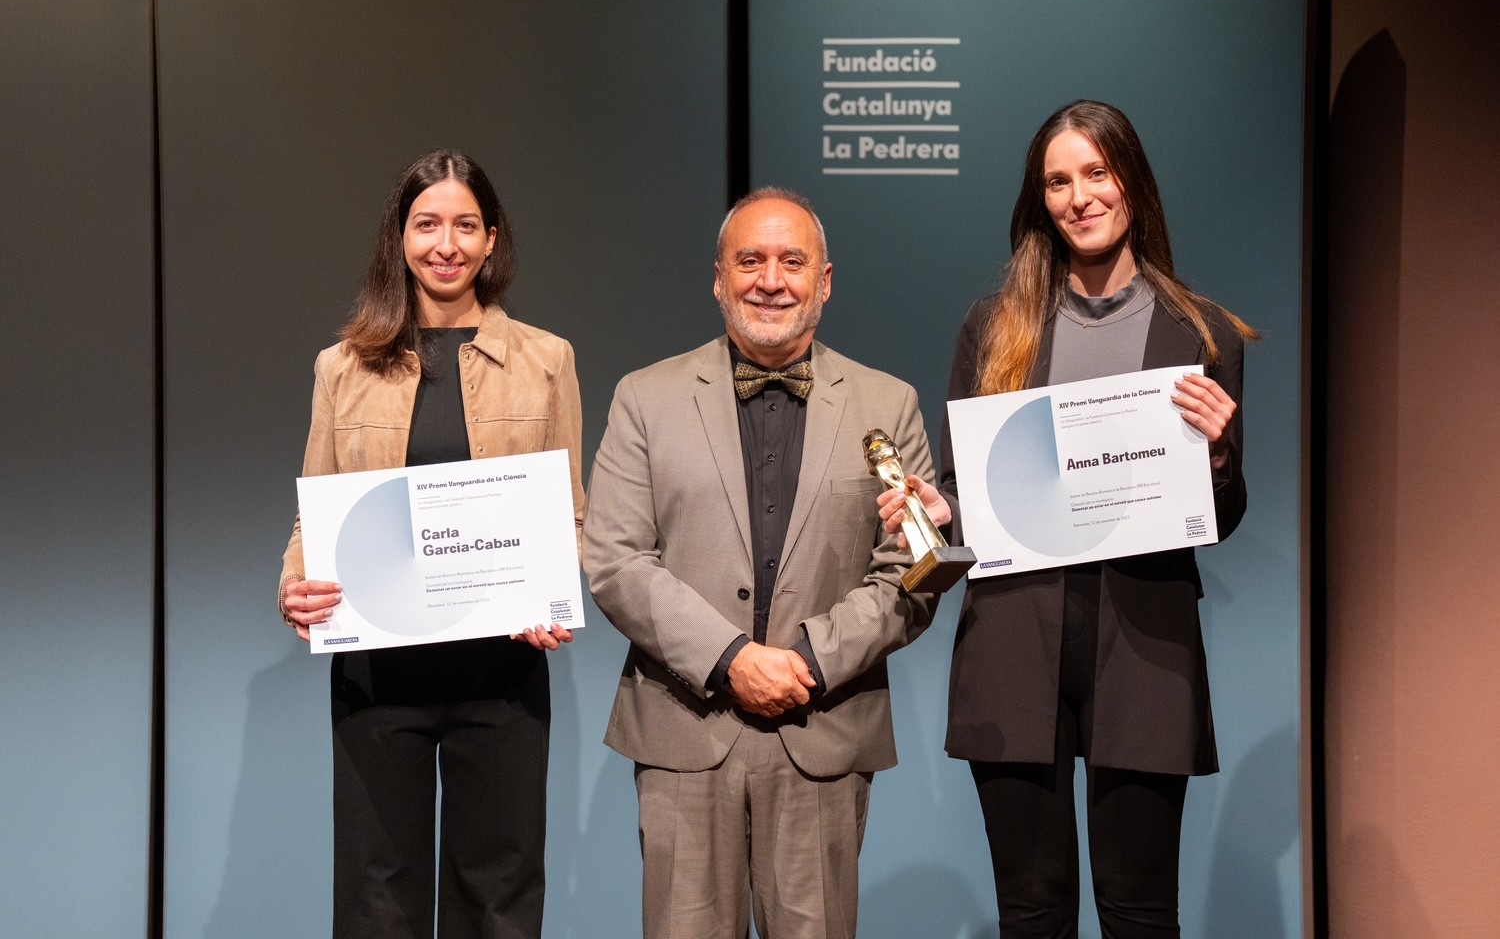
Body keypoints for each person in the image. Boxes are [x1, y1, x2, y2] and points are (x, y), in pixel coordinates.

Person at [881, 100, 1259, 938]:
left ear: (1132, 184)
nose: (1079, 196)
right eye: (1058, 180)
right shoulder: (994, 325)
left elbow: (1220, 518)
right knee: (1033, 914)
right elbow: (965, 493)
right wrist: (940, 509)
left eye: (1096, 173)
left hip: (1146, 649)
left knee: (1139, 913)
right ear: (1038, 198)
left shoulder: (1202, 333)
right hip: (1016, 641)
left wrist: (1219, 457)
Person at [582, 187, 939, 939]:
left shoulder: (889, 403)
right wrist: (732, 658)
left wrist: (805, 658)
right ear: (719, 278)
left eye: (791, 261)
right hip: (686, 727)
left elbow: (910, 574)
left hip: (824, 725)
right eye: (750, 260)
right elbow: (615, 559)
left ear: (826, 280)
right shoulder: (644, 398)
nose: (769, 280)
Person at [276, 149, 584, 939]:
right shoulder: (342, 366)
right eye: (427, 224)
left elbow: (569, 515)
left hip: (503, 675)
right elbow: (316, 517)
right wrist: (296, 584)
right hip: (379, 676)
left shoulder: (548, 362)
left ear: (491, 240)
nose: (445, 244)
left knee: (500, 904)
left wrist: (556, 592)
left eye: (465, 225)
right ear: (400, 236)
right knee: (379, 905)